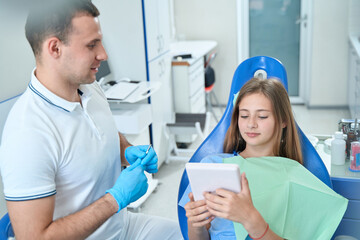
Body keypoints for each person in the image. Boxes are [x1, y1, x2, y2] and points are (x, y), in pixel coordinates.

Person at [0, 1, 182, 239]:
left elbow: (100, 134)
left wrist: (126, 151)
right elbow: (35, 237)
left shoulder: (89, 87)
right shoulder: (28, 133)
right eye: (91, 45)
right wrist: (114, 200)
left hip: (122, 227)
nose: (103, 54)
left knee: (191, 233)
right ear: (55, 48)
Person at [179, 78, 346, 240]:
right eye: (244, 116)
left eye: (262, 116)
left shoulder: (294, 178)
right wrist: (196, 225)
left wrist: (250, 219)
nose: (251, 124)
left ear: (283, 121)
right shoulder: (213, 166)